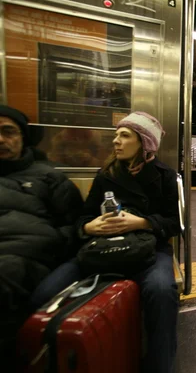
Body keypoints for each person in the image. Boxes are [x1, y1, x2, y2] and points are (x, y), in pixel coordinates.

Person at [30, 111, 180, 373]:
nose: (116, 141)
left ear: (144, 143)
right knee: (44, 294)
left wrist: (141, 222)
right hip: (101, 247)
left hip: (149, 250)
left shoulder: (165, 176)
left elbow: (173, 223)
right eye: (115, 136)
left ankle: (160, 365)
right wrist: (90, 226)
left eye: (124, 136)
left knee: (161, 291)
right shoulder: (106, 174)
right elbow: (83, 218)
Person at [0, 105, 83, 370]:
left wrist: (47, 243)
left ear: (23, 137)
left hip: (25, 258)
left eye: (8, 132)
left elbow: (76, 225)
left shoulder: (49, 178)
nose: (0, 140)